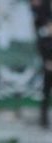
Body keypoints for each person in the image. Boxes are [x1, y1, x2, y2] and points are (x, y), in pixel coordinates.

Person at [31, 0, 52, 128]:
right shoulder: (44, 41)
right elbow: (42, 54)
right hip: (47, 71)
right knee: (45, 95)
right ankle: (43, 121)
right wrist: (47, 63)